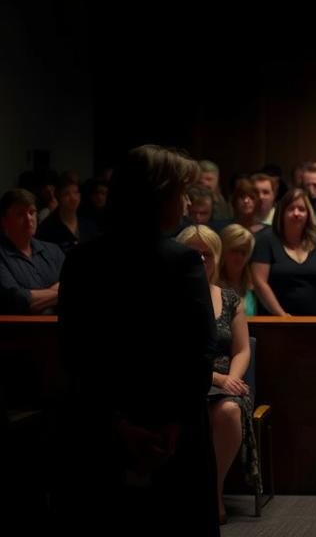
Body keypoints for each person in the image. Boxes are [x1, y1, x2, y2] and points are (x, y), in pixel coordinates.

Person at [56, 144, 219, 534]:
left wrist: (118, 423)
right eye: (179, 192)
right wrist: (174, 424)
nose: (185, 203)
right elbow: (199, 351)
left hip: (100, 427)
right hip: (174, 432)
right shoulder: (181, 261)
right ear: (157, 194)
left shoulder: (82, 259)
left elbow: (75, 351)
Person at [176, 224, 260, 524]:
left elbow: (242, 350)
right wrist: (217, 378)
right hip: (183, 380)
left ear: (216, 258)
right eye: (193, 254)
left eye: (207, 255)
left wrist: (231, 379)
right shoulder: (169, 298)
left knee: (227, 412)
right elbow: (175, 355)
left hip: (227, 385)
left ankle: (213, 492)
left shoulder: (229, 298)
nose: (201, 260)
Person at [251, 188, 316, 316]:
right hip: (277, 323)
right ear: (282, 213)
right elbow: (259, 282)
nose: (296, 213)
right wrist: (281, 315)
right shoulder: (266, 240)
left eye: (301, 209)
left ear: (309, 213)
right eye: (291, 209)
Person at [0, 188, 65, 314]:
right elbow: (17, 299)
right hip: (18, 331)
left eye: (32, 212)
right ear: (4, 221)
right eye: (20, 214)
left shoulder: (53, 250)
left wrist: (35, 298)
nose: (29, 218)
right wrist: (56, 294)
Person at [218, 224, 258, 316]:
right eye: (235, 251)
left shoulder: (254, 284)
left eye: (243, 252)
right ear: (223, 250)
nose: (239, 257)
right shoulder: (213, 284)